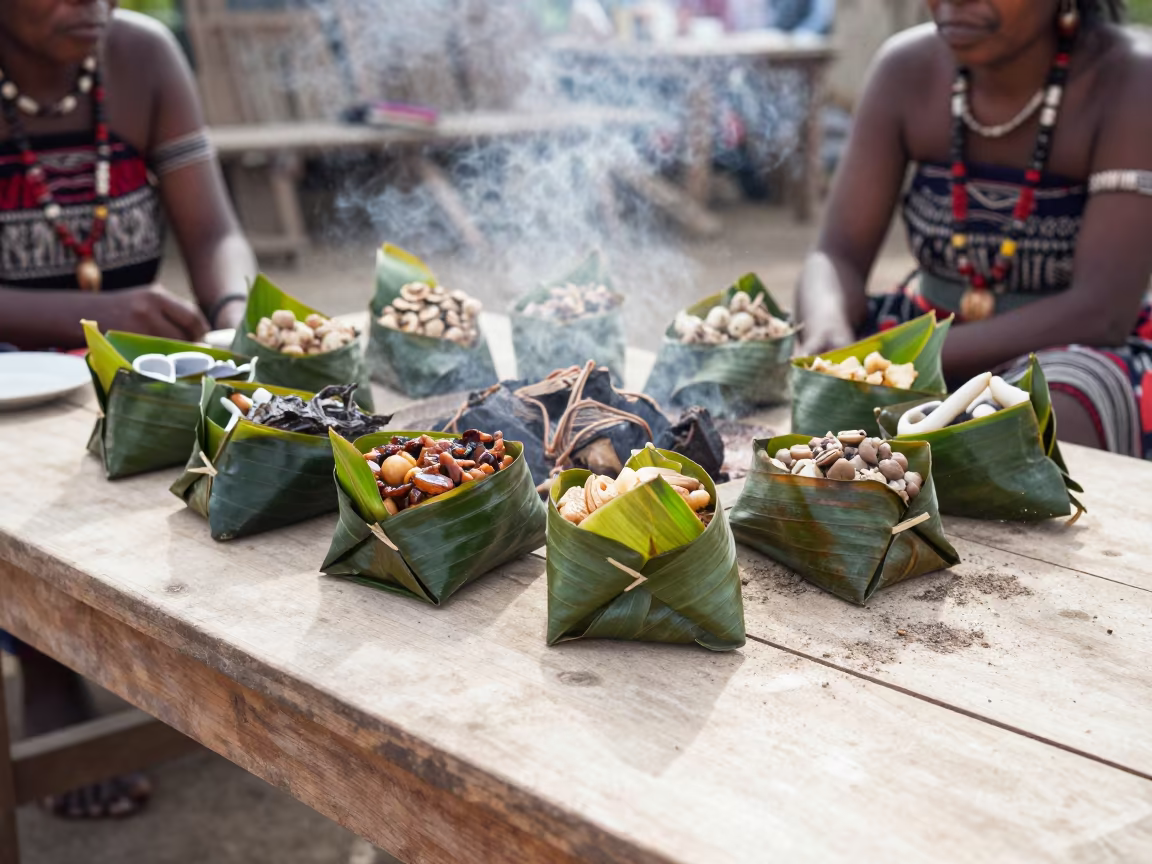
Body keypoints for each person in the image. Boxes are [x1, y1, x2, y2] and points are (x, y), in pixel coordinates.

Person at [0, 0, 257, 818]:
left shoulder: (143, 57)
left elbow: (214, 228)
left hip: (128, 362)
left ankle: (180, 652)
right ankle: (46, 670)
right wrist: (100, 315)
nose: (94, 4)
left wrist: (232, 316)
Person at [796, 0, 1152, 458]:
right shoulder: (905, 69)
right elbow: (837, 252)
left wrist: (901, 363)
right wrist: (832, 339)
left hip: (1068, 352)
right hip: (924, 333)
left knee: (1037, 412)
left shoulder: (1129, 81)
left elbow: (1102, 310)